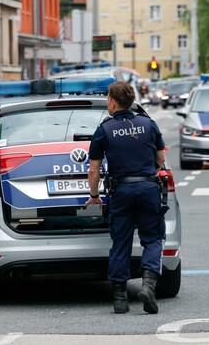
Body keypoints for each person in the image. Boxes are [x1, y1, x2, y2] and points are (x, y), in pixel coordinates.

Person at [84, 81, 166, 314]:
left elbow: (94, 169)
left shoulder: (104, 129)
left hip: (121, 191)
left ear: (112, 101)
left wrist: (94, 195)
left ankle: (120, 299)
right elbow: (160, 158)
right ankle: (148, 285)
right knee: (152, 238)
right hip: (148, 188)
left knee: (121, 242)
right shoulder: (148, 124)